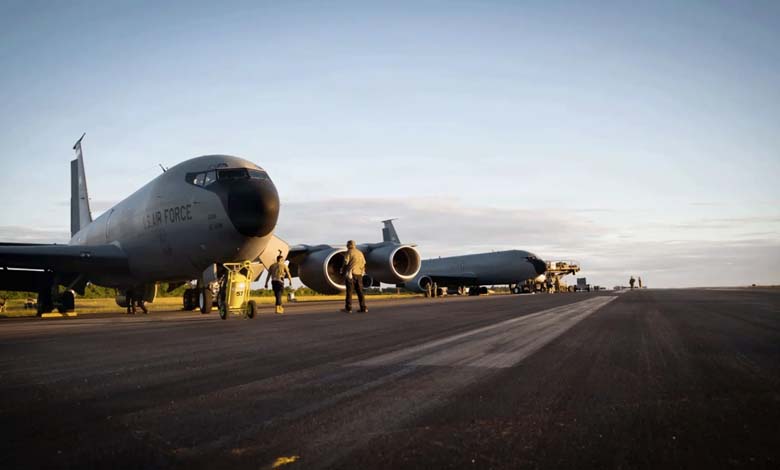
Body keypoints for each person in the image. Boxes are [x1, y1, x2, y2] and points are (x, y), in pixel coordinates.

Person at [341, 240, 367, 313]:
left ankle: (348, 308)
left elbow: (346, 262)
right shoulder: (360, 253)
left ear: (349, 245)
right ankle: (363, 308)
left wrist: (342, 269)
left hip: (351, 274)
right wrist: (362, 272)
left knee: (349, 292)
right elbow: (364, 263)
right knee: (360, 292)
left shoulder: (349, 252)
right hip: (359, 275)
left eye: (347, 244)